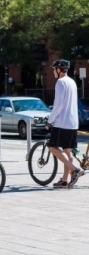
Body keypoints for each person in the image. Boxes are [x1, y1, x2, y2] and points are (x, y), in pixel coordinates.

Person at [46, 59, 83, 188]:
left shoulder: (60, 83)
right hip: (73, 122)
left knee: (52, 147)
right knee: (68, 150)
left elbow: (58, 105)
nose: (53, 71)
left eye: (54, 69)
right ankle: (64, 180)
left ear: (59, 70)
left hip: (62, 122)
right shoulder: (72, 82)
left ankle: (75, 169)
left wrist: (50, 121)